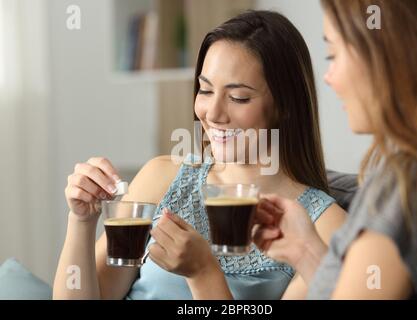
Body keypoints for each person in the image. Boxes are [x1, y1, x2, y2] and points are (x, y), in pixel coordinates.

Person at [52, 10, 347, 300]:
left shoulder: (323, 228)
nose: (213, 114)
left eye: (238, 97)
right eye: (205, 91)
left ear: (285, 105)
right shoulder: (161, 177)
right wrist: (81, 220)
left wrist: (204, 273)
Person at [252, 0, 417, 299]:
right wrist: (305, 250)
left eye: (333, 55)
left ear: (389, 55)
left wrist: (203, 275)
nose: (329, 78)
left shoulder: (409, 183)